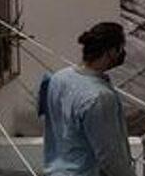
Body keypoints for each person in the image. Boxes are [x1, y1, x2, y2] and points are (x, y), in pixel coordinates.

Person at [38, 22, 133, 176]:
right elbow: (111, 158)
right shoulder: (99, 97)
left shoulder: (57, 79)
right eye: (120, 49)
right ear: (110, 52)